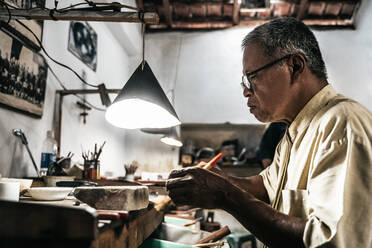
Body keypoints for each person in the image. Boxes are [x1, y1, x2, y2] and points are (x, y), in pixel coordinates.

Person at [166, 17, 372, 248]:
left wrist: (225, 195)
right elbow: (265, 187)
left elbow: (330, 241)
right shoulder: (292, 135)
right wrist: (215, 180)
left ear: (294, 66)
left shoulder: (341, 123)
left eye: (252, 77)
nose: (246, 91)